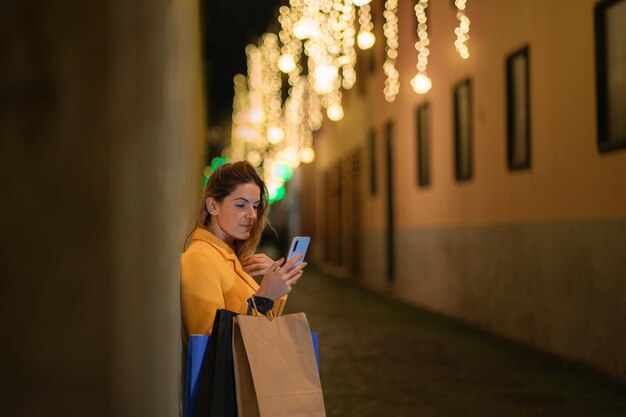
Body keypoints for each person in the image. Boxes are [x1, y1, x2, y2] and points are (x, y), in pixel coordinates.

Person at [180, 160, 306, 345]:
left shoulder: (229, 257)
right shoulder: (200, 258)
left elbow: (262, 325)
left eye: (255, 206)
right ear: (212, 206)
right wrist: (264, 297)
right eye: (241, 205)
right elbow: (207, 341)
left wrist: (277, 283)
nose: (252, 215)